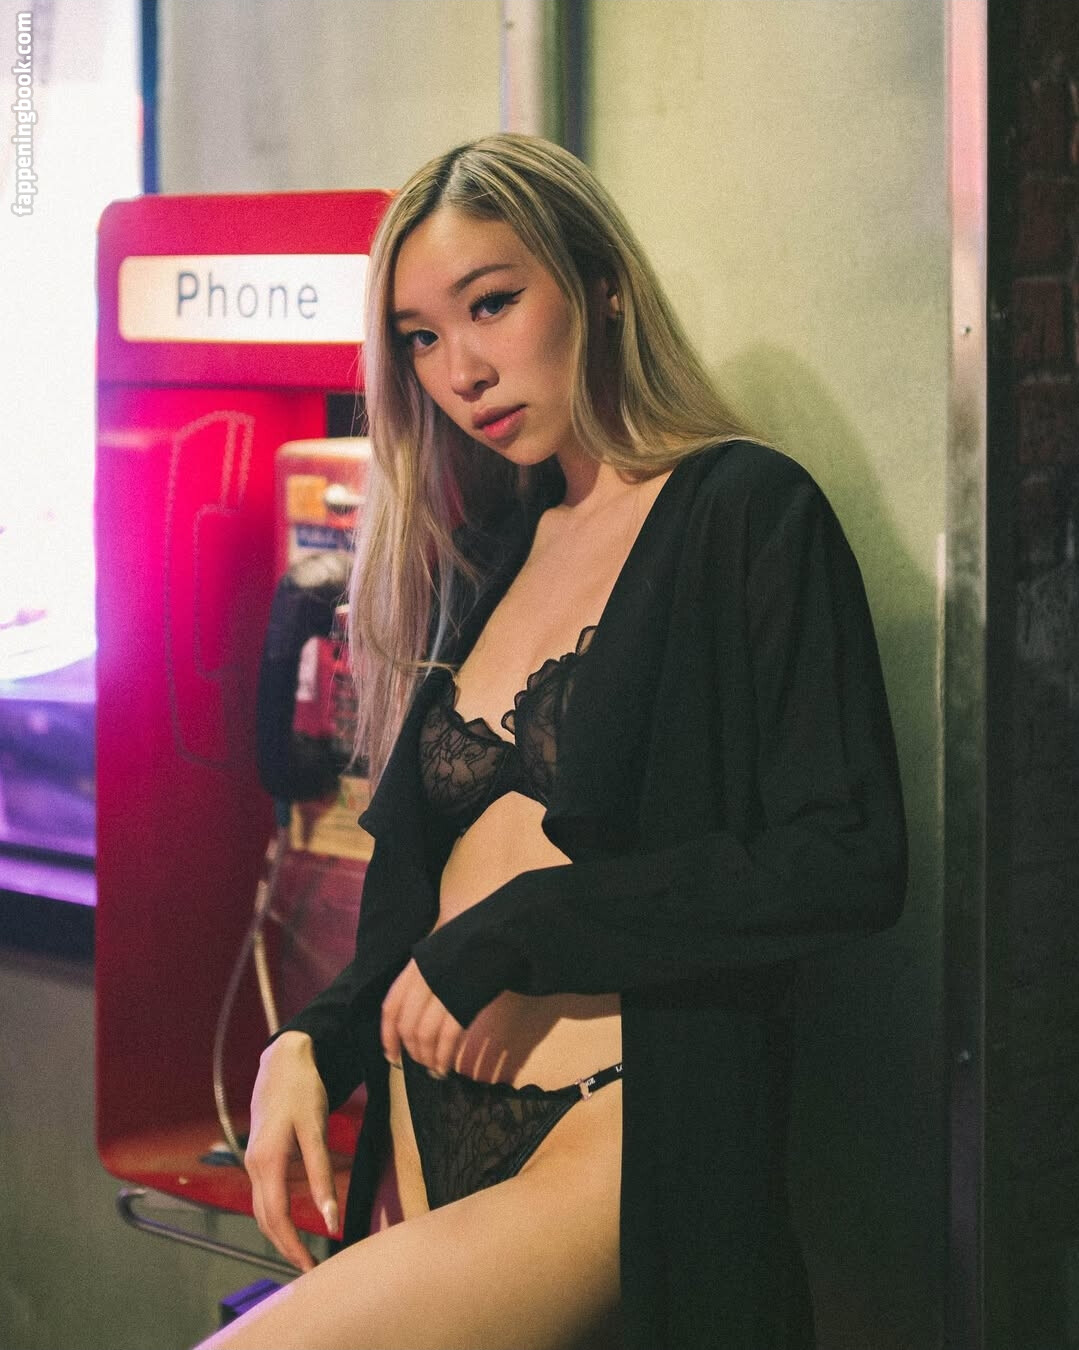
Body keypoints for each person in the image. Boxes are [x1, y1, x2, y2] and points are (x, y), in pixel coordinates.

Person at [198, 133, 906, 1350]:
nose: (461, 370)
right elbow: (415, 902)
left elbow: (845, 857)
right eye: (420, 338)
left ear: (600, 284)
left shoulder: (744, 511)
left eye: (491, 304)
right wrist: (309, 1042)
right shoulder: (488, 550)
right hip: (426, 1131)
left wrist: (523, 927)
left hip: (616, 1125)